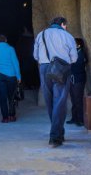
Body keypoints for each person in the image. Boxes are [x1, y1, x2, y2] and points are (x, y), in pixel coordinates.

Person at [33, 16, 77, 147]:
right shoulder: (67, 36)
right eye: (66, 25)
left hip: (44, 68)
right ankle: (55, 137)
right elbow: (74, 58)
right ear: (63, 24)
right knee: (60, 101)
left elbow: (35, 55)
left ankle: (59, 132)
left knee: (50, 101)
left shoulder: (41, 34)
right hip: (61, 69)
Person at [67, 38, 87, 127]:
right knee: (74, 100)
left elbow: (77, 67)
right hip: (73, 79)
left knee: (78, 100)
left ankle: (80, 120)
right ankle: (74, 118)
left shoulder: (81, 54)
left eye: (73, 43)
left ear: (78, 45)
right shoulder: (76, 54)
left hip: (78, 79)